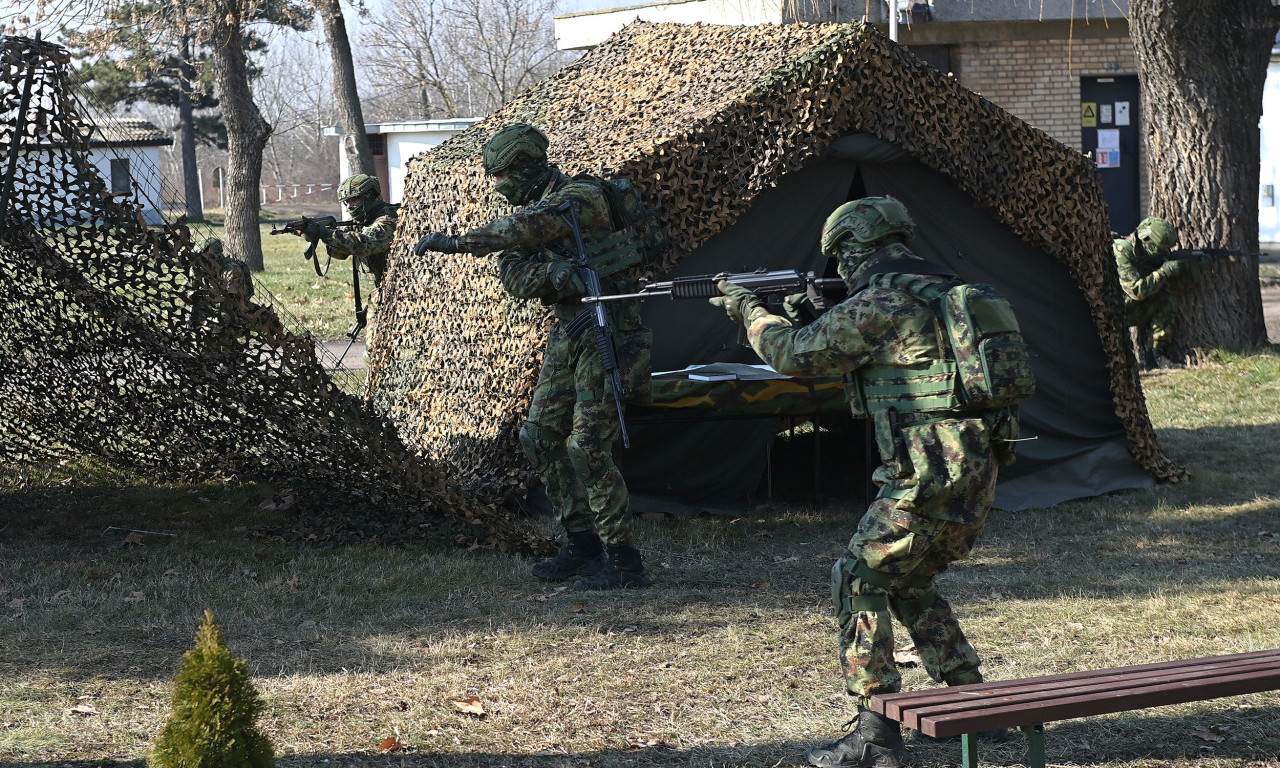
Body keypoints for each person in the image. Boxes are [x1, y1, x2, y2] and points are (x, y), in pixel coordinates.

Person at [710, 197, 1015, 768]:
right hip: (974, 464)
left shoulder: (881, 301)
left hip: (924, 470)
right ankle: (975, 705)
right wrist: (812, 311)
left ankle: (875, 732)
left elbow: (795, 356)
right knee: (906, 577)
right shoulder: (943, 292)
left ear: (851, 249)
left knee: (856, 578)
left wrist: (752, 312)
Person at [413, 123, 653, 591]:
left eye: (502, 176)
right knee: (538, 435)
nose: (499, 187)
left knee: (588, 446)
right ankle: (582, 545)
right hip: (570, 329)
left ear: (525, 166)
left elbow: (534, 225)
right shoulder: (523, 220)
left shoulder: (581, 195)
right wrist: (554, 272)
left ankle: (624, 560)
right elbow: (518, 281)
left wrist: (459, 242)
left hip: (612, 327)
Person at [303, 173, 398, 289]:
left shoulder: (388, 219)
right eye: (346, 202)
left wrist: (324, 233)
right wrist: (318, 234)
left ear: (369, 196)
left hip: (401, 287)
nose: (349, 207)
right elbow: (340, 253)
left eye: (354, 200)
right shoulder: (360, 220)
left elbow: (363, 245)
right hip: (384, 287)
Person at [1114, 216, 1184, 368]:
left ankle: (1155, 357)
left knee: (1165, 299)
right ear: (1146, 240)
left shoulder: (1146, 255)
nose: (1164, 252)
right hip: (1110, 315)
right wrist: (1164, 272)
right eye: (1161, 249)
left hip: (1129, 309)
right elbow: (1136, 291)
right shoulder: (1121, 251)